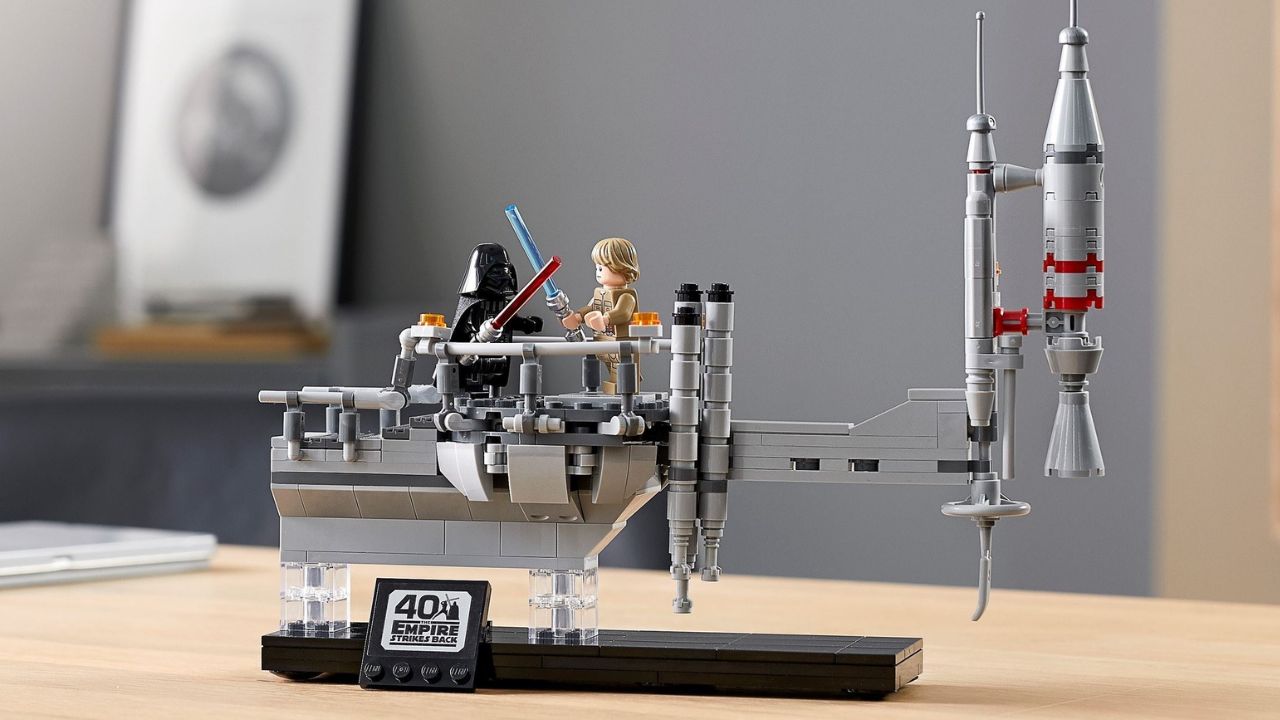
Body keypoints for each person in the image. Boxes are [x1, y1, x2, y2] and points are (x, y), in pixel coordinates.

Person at [449, 243, 543, 396]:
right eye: (498, 272)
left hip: (498, 358)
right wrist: (479, 336)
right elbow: (465, 327)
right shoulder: (472, 304)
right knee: (469, 388)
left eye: (506, 271)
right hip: (473, 356)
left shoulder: (503, 305)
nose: (506, 277)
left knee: (494, 387)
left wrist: (526, 324)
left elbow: (510, 321)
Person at [562, 237, 640, 393]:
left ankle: (623, 390)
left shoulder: (626, 296)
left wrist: (605, 319)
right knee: (610, 366)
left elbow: (623, 313)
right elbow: (591, 307)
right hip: (603, 342)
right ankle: (617, 387)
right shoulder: (600, 294)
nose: (597, 272)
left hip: (620, 343)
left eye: (602, 268)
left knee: (621, 371)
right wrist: (577, 317)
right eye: (597, 267)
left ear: (622, 268)